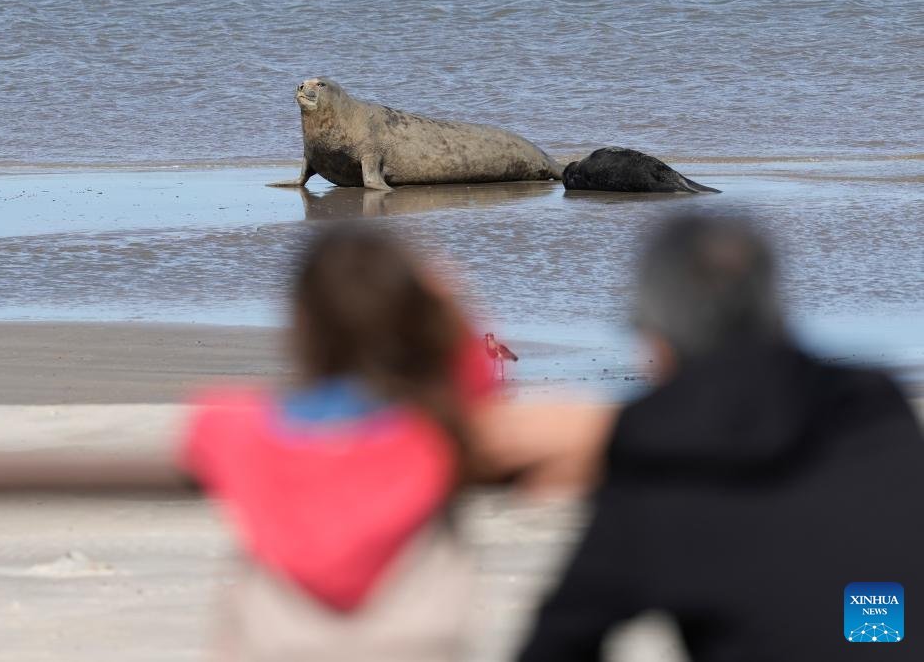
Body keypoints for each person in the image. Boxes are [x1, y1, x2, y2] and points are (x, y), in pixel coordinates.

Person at [179, 225, 612, 660]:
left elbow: (213, 411)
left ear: (300, 326)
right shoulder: (436, 436)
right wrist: (447, 297)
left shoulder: (233, 430)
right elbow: (480, 384)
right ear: (419, 325)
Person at [519, 214, 924, 660]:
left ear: (655, 334)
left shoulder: (658, 456)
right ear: (774, 305)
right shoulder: (874, 408)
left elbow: (557, 642)